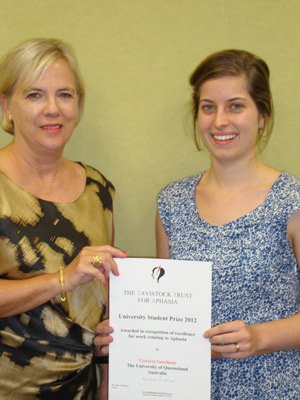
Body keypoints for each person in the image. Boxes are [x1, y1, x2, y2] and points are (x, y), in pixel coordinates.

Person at [156, 50, 300, 399]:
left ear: (262, 115)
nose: (220, 120)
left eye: (235, 106)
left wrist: (260, 337)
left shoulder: (292, 200)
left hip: (272, 386)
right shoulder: (171, 203)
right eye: (208, 107)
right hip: (188, 387)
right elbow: (161, 311)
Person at [0, 38, 127, 399]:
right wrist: (62, 278)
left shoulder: (98, 189)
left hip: (80, 389)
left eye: (65, 95)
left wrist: (108, 377)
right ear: (7, 105)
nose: (53, 109)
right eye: (35, 95)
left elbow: (106, 295)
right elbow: (71, 280)